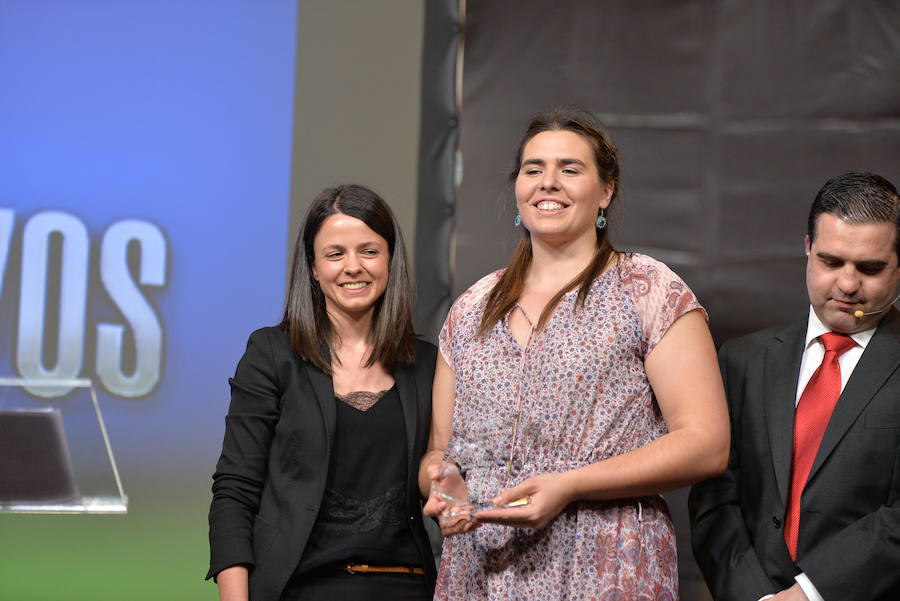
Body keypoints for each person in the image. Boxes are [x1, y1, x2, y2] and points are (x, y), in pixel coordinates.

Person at [418, 107, 730, 600]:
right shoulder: (470, 309)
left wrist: (572, 484)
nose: (548, 183)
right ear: (518, 189)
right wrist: (444, 483)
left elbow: (706, 443)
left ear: (606, 190)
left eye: (570, 169)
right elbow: (439, 450)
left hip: (606, 562)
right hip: (483, 570)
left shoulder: (647, 289)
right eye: (533, 169)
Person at [207, 184, 437, 601]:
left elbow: (443, 473)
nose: (353, 267)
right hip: (300, 587)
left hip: (405, 585)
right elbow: (235, 490)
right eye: (335, 254)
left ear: (390, 260)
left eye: (369, 251)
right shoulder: (271, 353)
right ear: (313, 268)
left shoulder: (427, 363)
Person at [689, 171, 900, 601]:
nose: (847, 284)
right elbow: (714, 501)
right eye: (830, 261)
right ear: (807, 250)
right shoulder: (742, 360)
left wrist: (809, 593)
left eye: (870, 268)